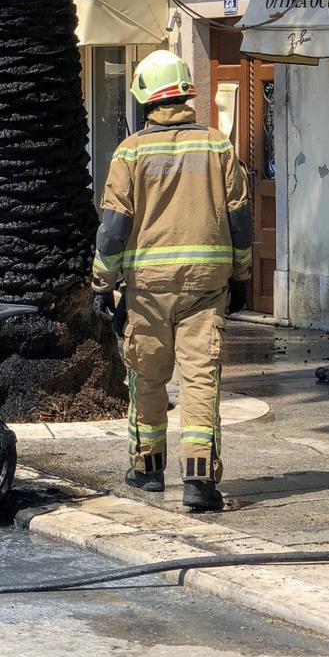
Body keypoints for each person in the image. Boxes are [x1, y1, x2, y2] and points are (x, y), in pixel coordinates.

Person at [91, 50, 252, 514]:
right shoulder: (217, 146)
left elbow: (114, 227)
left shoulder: (131, 151)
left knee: (148, 374)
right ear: (185, 92)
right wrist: (240, 274)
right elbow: (241, 219)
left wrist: (103, 282)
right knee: (201, 379)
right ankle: (200, 481)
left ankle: (148, 469)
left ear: (144, 98)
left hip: (147, 288)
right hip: (206, 287)